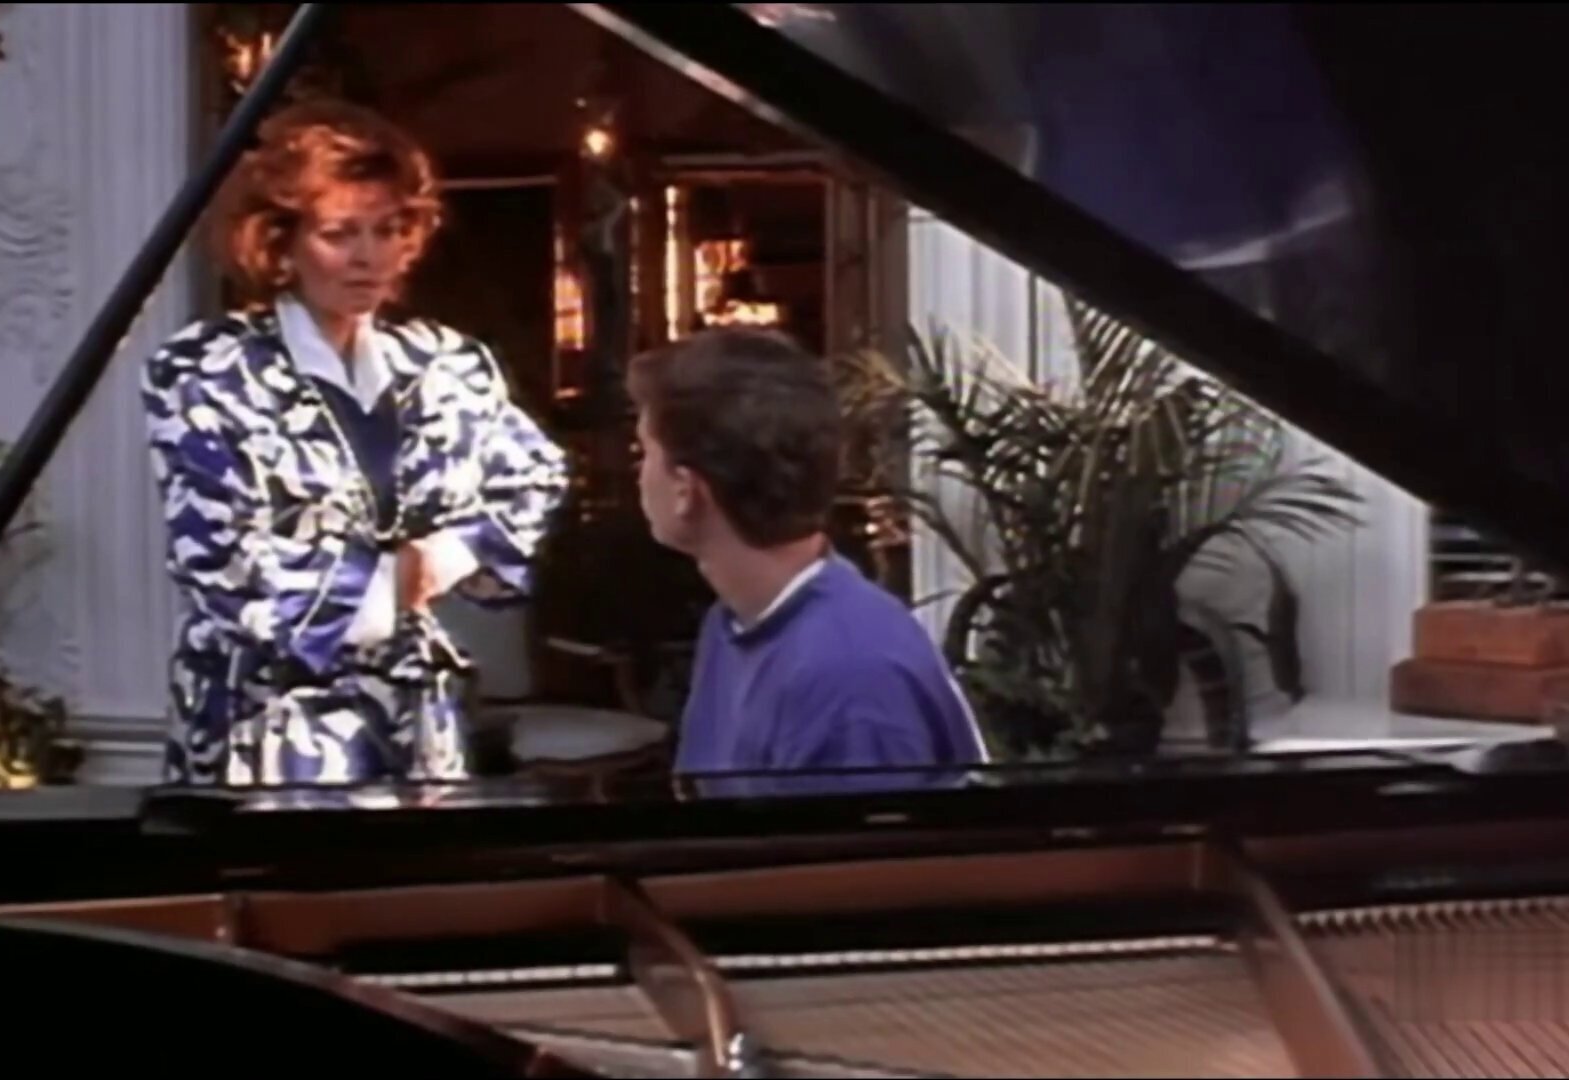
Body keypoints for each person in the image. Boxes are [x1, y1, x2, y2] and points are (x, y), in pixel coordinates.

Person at [141, 99, 569, 787]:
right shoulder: (207, 370)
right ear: (280, 243)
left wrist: (448, 556)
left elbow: (533, 478)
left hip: (417, 712)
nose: (369, 257)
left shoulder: (446, 364)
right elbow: (223, 561)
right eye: (340, 234)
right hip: (270, 712)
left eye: (389, 229)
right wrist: (389, 586)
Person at [627, 328, 988, 776]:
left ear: (687, 490)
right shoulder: (733, 622)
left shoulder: (850, 678)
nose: (639, 475)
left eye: (644, 453)